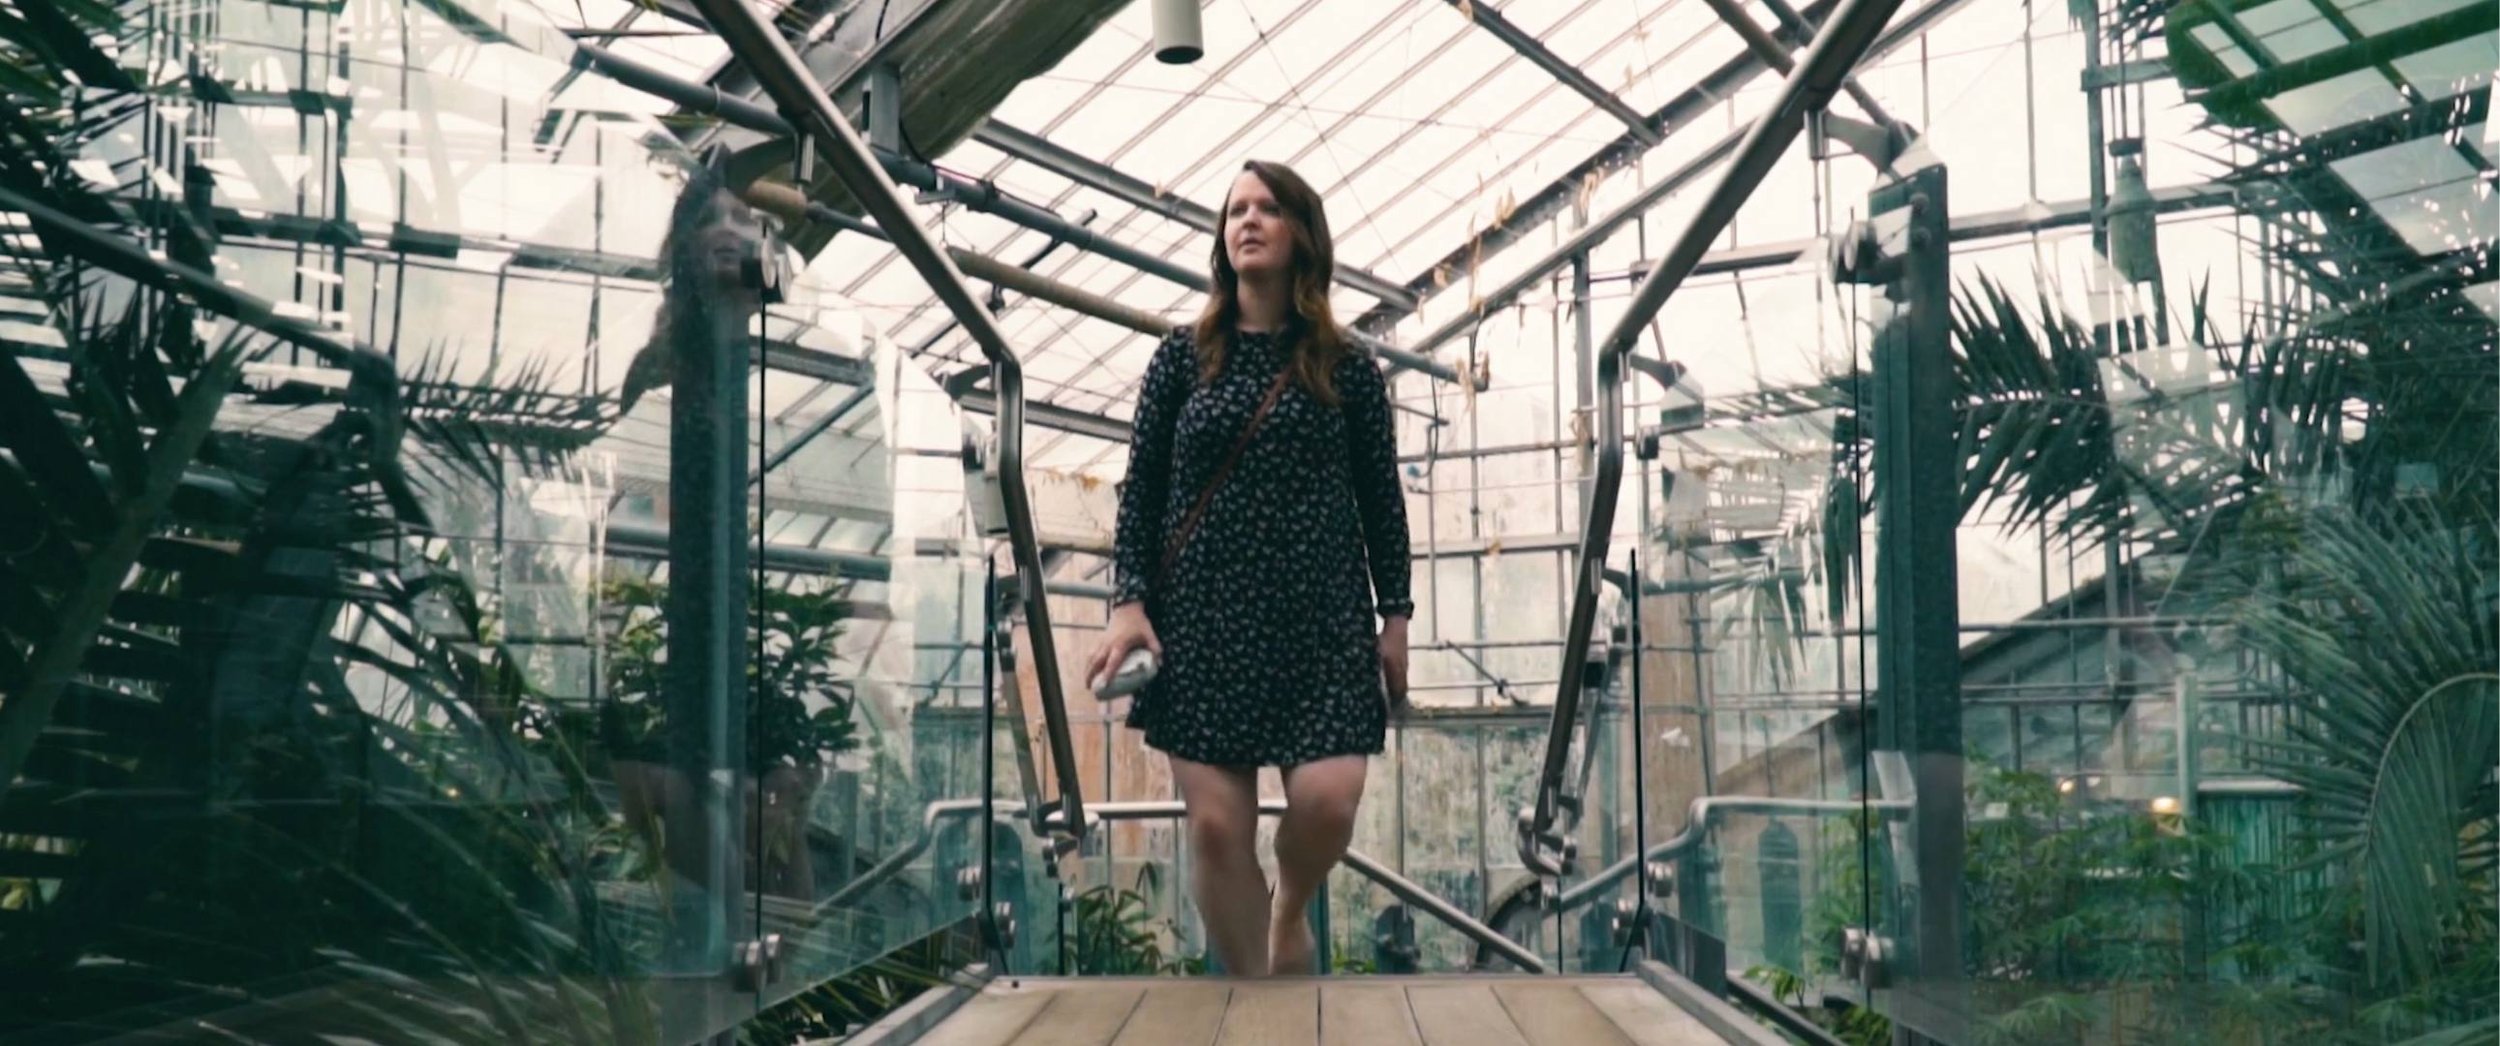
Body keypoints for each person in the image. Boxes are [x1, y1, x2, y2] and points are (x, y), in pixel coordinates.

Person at [1087, 159, 1413, 977]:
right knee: (1216, 829)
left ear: (1302, 234)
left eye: (1268, 208)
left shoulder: (1346, 368)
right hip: (1205, 622)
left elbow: (1382, 502)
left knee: (1328, 801)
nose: (1248, 221)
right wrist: (1129, 603)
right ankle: (1258, 1005)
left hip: (1322, 625)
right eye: (1236, 210)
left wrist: (1396, 619)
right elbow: (1142, 490)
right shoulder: (1181, 359)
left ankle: (1289, 910)